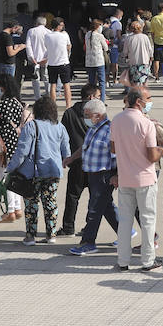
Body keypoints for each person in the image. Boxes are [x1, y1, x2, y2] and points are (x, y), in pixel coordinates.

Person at [5, 95, 71, 244]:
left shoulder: (31, 126)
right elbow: (66, 151)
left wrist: (10, 168)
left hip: (32, 172)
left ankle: (30, 236)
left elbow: (22, 151)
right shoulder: (60, 126)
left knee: (31, 204)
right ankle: (51, 235)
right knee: (50, 202)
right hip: (53, 171)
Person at [111, 85, 163, 271]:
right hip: (145, 179)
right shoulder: (146, 123)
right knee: (148, 220)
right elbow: (151, 156)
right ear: (139, 102)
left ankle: (123, 261)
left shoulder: (116, 120)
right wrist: (161, 150)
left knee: (125, 221)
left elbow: (113, 148)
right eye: (147, 99)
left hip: (125, 178)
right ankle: (148, 261)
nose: (148, 103)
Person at [67, 98, 121, 256]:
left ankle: (88, 242)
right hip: (92, 174)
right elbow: (85, 147)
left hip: (104, 175)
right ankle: (125, 234)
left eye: (87, 115)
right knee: (106, 208)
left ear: (98, 115)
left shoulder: (109, 130)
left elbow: (117, 155)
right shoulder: (93, 128)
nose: (85, 118)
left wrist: (117, 175)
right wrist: (71, 158)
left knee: (94, 210)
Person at [59, 83, 100, 236]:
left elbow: (62, 137)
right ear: (90, 97)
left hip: (75, 162)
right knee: (94, 197)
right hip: (94, 162)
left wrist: (65, 156)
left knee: (72, 196)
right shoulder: (96, 113)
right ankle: (89, 227)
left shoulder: (69, 113)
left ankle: (68, 227)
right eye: (98, 96)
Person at [0, 75, 28, 223]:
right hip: (17, 145)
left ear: (3, 86)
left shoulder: (3, 105)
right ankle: (17, 208)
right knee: (13, 178)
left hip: (4, 147)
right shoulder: (17, 102)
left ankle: (9, 212)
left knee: (5, 179)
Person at [44, 18, 74, 107]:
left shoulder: (47, 35)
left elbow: (46, 46)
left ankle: (53, 104)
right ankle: (68, 105)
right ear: (58, 26)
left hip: (52, 63)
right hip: (63, 62)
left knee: (52, 85)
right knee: (66, 85)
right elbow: (69, 46)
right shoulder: (64, 35)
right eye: (61, 25)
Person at [0, 20, 24, 99]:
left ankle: (5, 98)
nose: (16, 31)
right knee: (9, 84)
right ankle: (9, 99)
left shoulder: (0, 35)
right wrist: (19, 48)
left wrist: (14, 47)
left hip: (2, 62)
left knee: (4, 83)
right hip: (8, 63)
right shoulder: (8, 37)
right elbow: (10, 53)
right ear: (14, 27)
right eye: (16, 29)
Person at [25, 16, 50, 100]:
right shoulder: (49, 32)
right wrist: (46, 57)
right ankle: (48, 93)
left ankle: (37, 97)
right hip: (45, 58)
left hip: (35, 58)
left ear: (36, 23)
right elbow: (50, 47)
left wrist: (31, 57)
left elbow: (28, 46)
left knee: (35, 78)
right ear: (45, 23)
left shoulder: (31, 31)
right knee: (46, 76)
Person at [122, 20, 154, 85]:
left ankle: (136, 92)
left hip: (133, 61)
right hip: (144, 60)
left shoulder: (128, 38)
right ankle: (144, 92)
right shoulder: (145, 37)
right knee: (144, 78)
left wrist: (125, 56)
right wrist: (151, 56)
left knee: (134, 79)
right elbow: (150, 49)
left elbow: (125, 51)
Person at [82, 20, 108, 94]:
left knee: (91, 81)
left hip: (89, 61)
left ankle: (91, 97)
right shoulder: (99, 35)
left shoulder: (87, 34)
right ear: (98, 26)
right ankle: (102, 99)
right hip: (98, 60)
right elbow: (105, 48)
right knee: (101, 81)